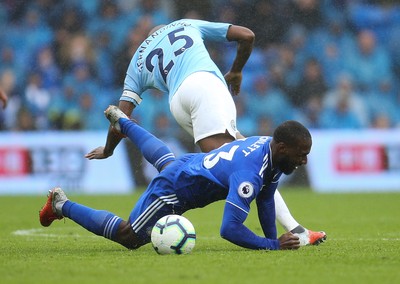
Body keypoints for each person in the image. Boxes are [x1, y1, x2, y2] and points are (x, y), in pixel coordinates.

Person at [85, 19, 326, 245]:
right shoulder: (186, 25)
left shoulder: (137, 60)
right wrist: (237, 70)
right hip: (205, 86)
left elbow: (122, 115)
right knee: (248, 160)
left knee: (240, 156)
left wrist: (108, 149)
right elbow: (247, 36)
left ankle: (290, 228)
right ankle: (294, 231)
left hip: (177, 101)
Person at [40, 105, 323, 250]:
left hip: (192, 166)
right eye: (302, 154)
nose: (304, 161)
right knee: (130, 236)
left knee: (167, 162)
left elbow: (266, 200)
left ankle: (124, 123)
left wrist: (276, 243)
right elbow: (229, 228)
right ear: (284, 148)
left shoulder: (268, 147)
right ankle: (60, 204)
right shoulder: (249, 173)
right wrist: (273, 244)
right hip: (173, 192)